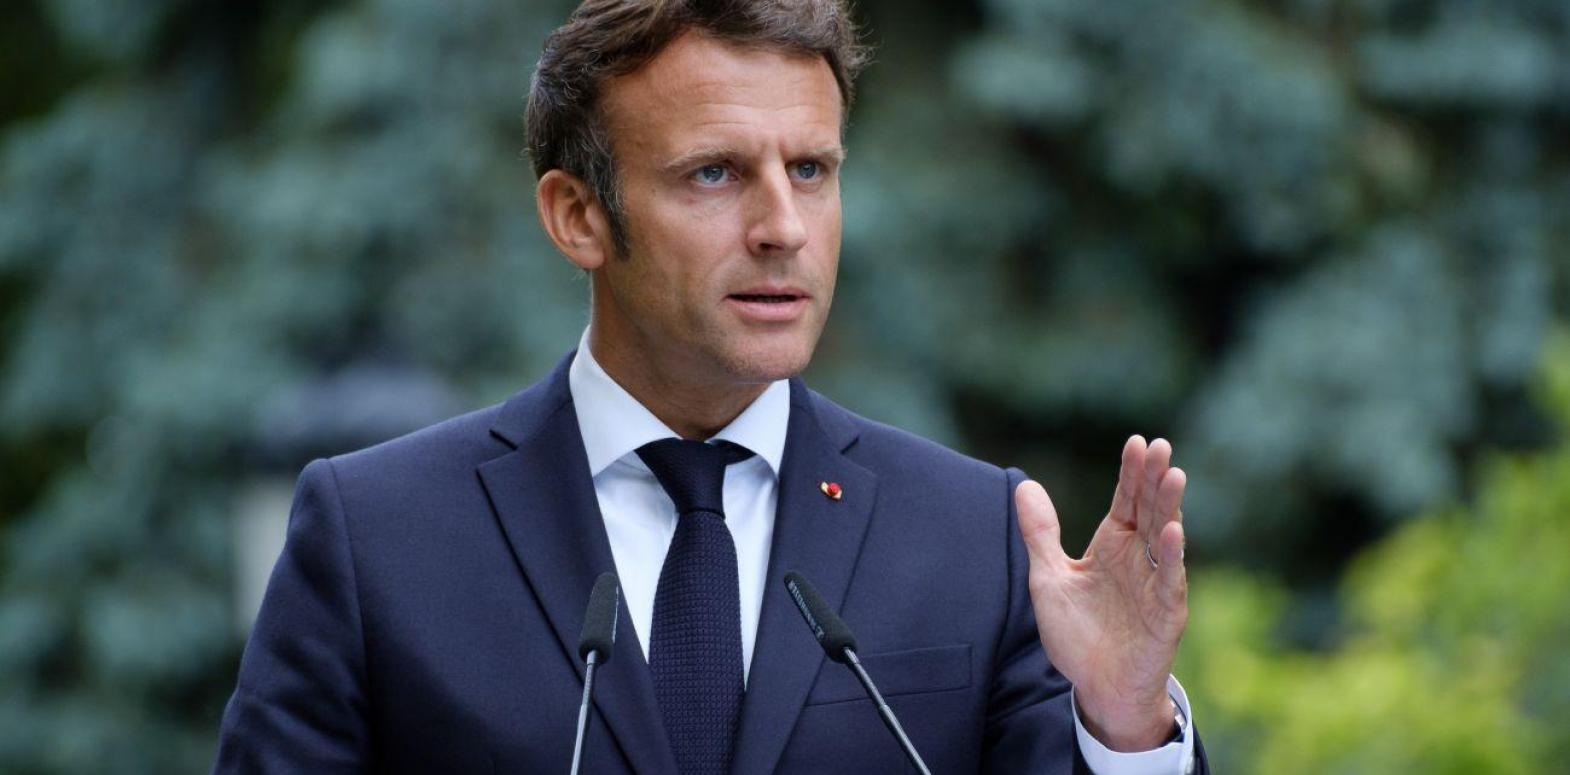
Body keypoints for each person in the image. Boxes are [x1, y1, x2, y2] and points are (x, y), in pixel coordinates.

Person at [212, 1, 1208, 772]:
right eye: (714, 174)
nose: (783, 227)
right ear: (576, 217)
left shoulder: (975, 535)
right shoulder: (376, 537)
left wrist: (1124, 723)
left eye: (810, 170)